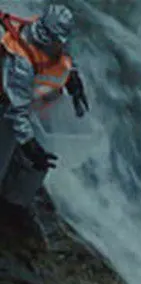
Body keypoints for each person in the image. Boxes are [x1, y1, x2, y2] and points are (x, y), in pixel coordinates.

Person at [0, 4, 89, 244]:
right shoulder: (21, 61)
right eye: (57, 41)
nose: (61, 45)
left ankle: (13, 206)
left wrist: (73, 79)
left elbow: (65, 58)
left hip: (29, 106)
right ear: (47, 36)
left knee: (37, 165)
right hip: (7, 108)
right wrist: (29, 145)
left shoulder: (53, 42)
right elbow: (16, 111)